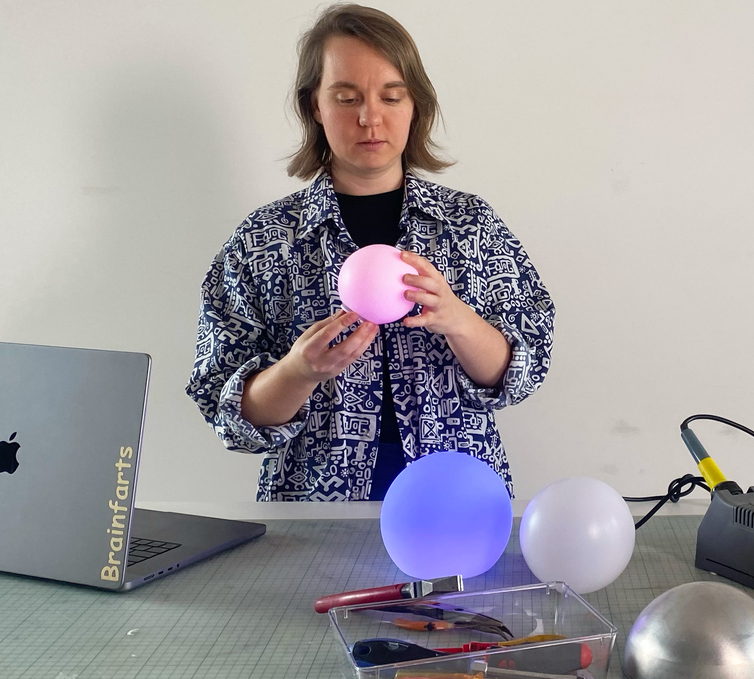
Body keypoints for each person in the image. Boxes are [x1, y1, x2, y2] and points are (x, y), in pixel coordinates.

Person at [186, 4, 554, 501]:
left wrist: (457, 319)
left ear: (414, 105)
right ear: (314, 106)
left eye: (391, 95)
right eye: (346, 97)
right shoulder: (263, 241)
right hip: (315, 509)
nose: (369, 117)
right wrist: (299, 371)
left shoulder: (469, 226)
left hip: (455, 499)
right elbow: (226, 407)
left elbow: (523, 368)